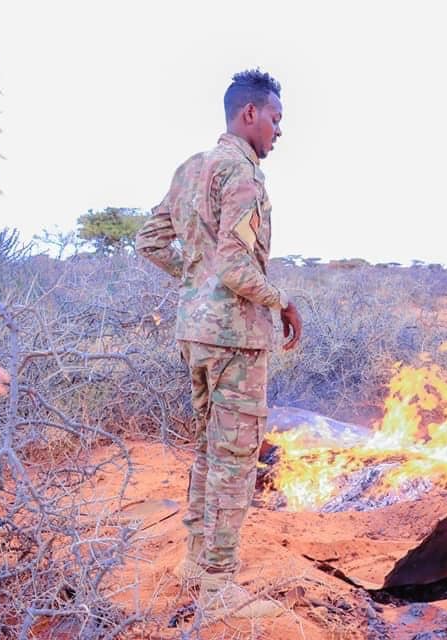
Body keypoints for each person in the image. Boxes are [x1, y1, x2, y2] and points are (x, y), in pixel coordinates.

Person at [136, 69, 302, 620]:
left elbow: (149, 240)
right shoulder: (243, 174)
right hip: (235, 338)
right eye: (275, 118)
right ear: (249, 113)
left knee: (210, 449)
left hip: (195, 332)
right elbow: (235, 265)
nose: (279, 130)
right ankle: (219, 587)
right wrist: (281, 301)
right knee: (235, 459)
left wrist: (195, 278)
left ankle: (194, 563)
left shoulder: (191, 168)